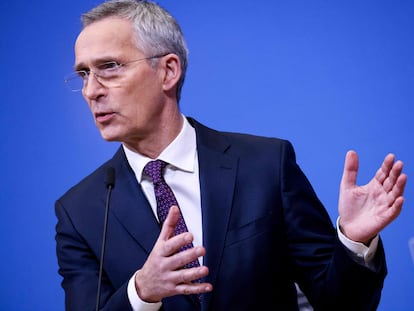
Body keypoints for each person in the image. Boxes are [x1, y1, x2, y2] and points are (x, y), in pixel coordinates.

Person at [55, 1, 407, 310]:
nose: (91, 91)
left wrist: (353, 241)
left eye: (110, 67)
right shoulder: (80, 212)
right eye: (84, 74)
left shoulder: (266, 165)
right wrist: (141, 292)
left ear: (168, 70)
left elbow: (339, 302)